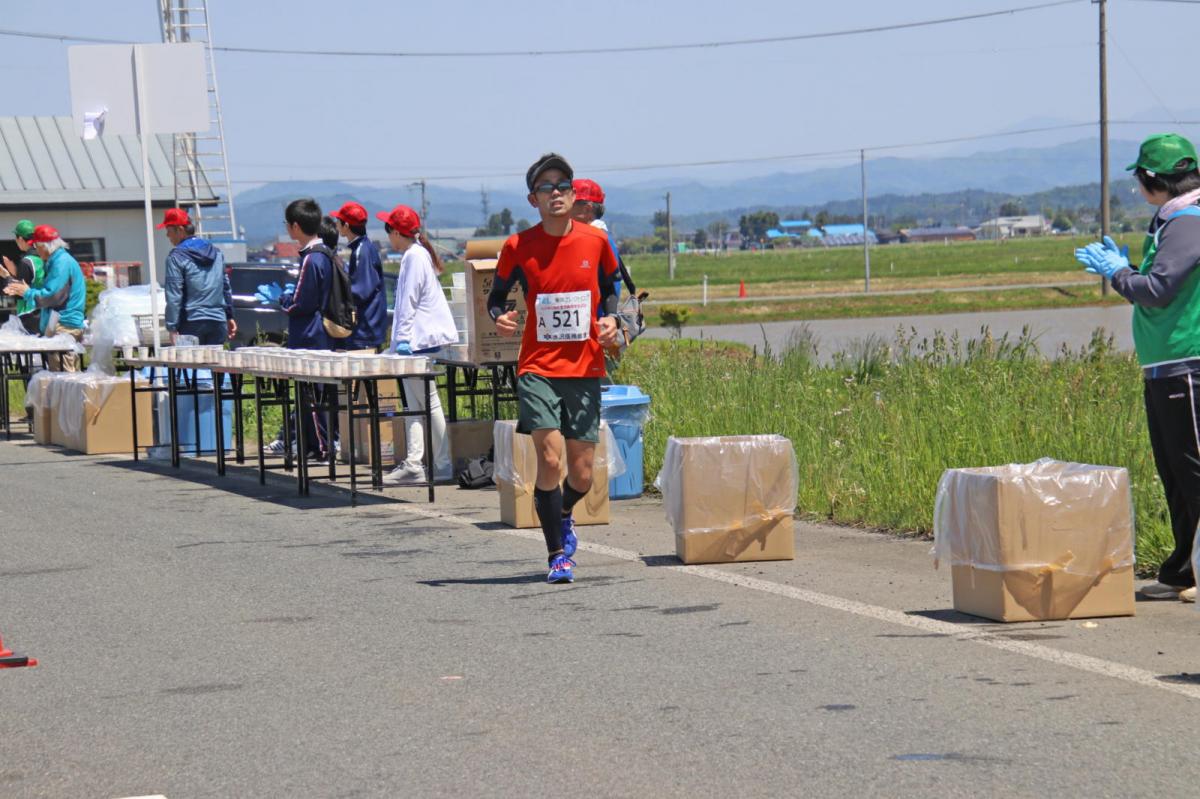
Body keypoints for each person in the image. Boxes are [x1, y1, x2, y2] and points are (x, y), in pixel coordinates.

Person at [1075, 132, 1200, 603]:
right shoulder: (1173, 219)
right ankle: (1182, 570)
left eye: (1140, 180)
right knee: (1176, 473)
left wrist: (1118, 273)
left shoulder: (1187, 222)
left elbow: (1157, 290)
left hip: (1187, 364)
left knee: (1194, 471)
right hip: (1165, 365)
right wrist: (1128, 272)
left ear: (1152, 179)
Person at [489, 153, 620, 583]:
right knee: (549, 459)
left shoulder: (595, 242)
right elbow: (497, 298)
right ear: (534, 199)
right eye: (546, 188)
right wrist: (500, 317)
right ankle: (556, 555)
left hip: (583, 366)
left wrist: (611, 318)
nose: (556, 193)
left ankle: (562, 512)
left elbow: (611, 289)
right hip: (537, 367)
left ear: (574, 193)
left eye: (563, 185)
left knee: (581, 475)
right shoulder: (517, 246)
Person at [379, 204, 458, 486]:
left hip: (417, 341)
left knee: (426, 403)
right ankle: (417, 462)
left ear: (396, 232)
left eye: (389, 230)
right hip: (419, 340)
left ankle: (440, 463)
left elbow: (408, 302)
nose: (388, 236)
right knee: (415, 404)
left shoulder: (413, 256)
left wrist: (400, 339)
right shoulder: (418, 253)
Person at [264, 198, 335, 462]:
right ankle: (312, 446)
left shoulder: (311, 258)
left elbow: (301, 303)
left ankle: (321, 447)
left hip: (309, 335)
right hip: (319, 334)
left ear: (295, 226)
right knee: (312, 396)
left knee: (311, 397)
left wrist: (282, 300)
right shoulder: (325, 254)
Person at [2, 224, 86, 371]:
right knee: (59, 374)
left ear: (45, 246)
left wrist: (27, 292)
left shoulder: (61, 263)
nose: (36, 249)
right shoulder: (59, 261)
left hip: (64, 325)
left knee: (65, 375)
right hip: (61, 324)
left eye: (37, 246)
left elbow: (52, 295)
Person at [159, 208, 237, 346]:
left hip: (191, 322)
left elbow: (174, 295)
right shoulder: (216, 253)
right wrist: (229, 316)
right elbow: (225, 287)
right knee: (215, 360)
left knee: (190, 360)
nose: (167, 235)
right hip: (218, 321)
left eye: (169, 230)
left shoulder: (176, 257)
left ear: (180, 230)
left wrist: (172, 327)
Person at [330, 202, 388, 351]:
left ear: (346, 226)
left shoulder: (361, 251)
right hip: (368, 326)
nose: (336, 224)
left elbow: (359, 290)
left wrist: (335, 297)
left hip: (365, 328)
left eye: (338, 221)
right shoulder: (364, 247)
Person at [1, 220, 45, 333]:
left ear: (20, 238)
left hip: (29, 316)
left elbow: (19, 291)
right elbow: (34, 282)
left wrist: (6, 275)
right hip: (45, 313)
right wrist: (15, 273)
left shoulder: (26, 262)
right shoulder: (44, 258)